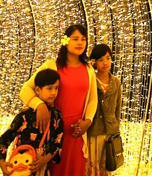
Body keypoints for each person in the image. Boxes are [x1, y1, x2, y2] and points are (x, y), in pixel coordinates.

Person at [21, 24, 98, 176]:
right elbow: (25, 89)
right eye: (75, 39)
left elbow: (92, 100)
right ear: (65, 41)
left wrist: (87, 121)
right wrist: (39, 105)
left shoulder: (88, 69)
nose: (80, 43)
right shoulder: (51, 65)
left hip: (76, 133)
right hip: (52, 132)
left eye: (83, 39)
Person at [0, 69, 63, 175]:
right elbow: (5, 138)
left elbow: (57, 143)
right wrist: (2, 162)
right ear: (38, 90)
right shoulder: (25, 115)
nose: (54, 92)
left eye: (56, 88)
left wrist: (44, 160)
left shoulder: (57, 116)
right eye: (49, 88)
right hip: (20, 168)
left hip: (41, 170)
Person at [86, 44, 122, 176]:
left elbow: (118, 108)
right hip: (94, 130)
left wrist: (116, 128)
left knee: (106, 166)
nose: (105, 63)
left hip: (110, 131)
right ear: (94, 62)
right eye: (101, 60)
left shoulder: (116, 82)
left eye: (108, 58)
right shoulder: (90, 80)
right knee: (91, 165)